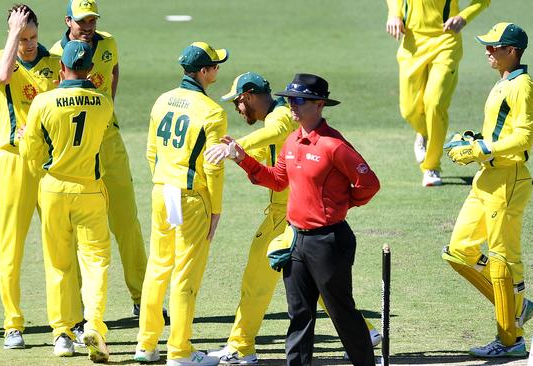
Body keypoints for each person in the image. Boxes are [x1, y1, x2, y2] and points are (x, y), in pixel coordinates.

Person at [204, 72, 381, 364]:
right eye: (289, 99)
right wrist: (240, 158)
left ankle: (364, 354)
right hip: (296, 236)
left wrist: (340, 206)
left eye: (299, 100)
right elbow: (276, 180)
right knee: (299, 315)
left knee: (340, 310)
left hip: (327, 239)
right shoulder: (292, 142)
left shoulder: (330, 144)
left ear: (319, 104)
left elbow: (369, 184)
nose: (292, 106)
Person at [50, 0, 150, 319]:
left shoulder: (108, 43)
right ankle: (79, 312)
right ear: (68, 21)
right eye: (82, 20)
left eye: (92, 19)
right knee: (79, 233)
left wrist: (110, 106)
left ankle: (142, 298)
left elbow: (114, 69)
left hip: (109, 140)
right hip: (77, 150)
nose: (89, 25)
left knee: (127, 223)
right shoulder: (56, 54)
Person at [133, 41, 228, 366]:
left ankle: (146, 345)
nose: (217, 69)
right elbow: (214, 165)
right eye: (215, 65)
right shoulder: (212, 111)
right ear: (203, 72)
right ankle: (180, 350)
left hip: (162, 191)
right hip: (191, 196)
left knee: (158, 268)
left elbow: (151, 152)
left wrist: (164, 180)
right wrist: (215, 208)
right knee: (186, 274)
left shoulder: (162, 101)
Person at [19, 40, 113, 362]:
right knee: (96, 261)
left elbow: (31, 153)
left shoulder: (43, 102)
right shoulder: (103, 103)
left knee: (58, 264)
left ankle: (61, 334)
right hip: (90, 189)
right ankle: (94, 325)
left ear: (62, 69)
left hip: (54, 189)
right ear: (90, 70)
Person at [442, 22, 533, 357]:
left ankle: (510, 340)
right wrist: (474, 141)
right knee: (457, 250)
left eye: (494, 47)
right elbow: (498, 132)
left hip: (508, 179)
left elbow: (524, 139)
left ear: (512, 51)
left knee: (503, 261)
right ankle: (517, 305)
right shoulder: (503, 82)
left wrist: (481, 149)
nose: (487, 51)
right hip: (487, 179)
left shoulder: (521, 86)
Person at [0, 4, 63, 349]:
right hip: (14, 161)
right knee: (12, 246)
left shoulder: (53, 63)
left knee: (58, 246)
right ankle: (12, 324)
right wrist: (13, 36)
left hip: (48, 165)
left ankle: (63, 326)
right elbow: (2, 77)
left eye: (33, 37)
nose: (29, 44)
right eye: (23, 37)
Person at [385, 0, 489, 186]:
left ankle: (431, 166)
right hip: (412, 40)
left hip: (446, 39)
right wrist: (394, 14)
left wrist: (463, 17)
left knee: (435, 103)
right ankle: (424, 133)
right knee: (408, 110)